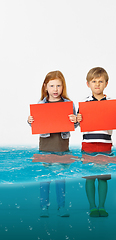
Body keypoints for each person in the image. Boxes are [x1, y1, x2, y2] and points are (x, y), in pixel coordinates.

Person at [28, 70, 77, 217]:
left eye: (58, 86)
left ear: (63, 87)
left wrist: (75, 120)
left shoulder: (68, 104)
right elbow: (35, 125)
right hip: (45, 147)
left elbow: (74, 126)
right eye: (52, 86)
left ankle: (61, 206)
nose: (55, 89)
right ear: (45, 87)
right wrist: (30, 121)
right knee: (45, 179)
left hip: (62, 148)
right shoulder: (40, 104)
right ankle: (44, 207)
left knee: (60, 179)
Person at [77, 67, 112, 217]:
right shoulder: (84, 103)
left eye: (100, 81)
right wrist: (77, 119)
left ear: (106, 83)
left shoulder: (111, 103)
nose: (97, 84)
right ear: (88, 84)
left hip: (105, 145)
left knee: (103, 178)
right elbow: (76, 124)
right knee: (90, 177)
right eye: (94, 81)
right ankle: (92, 206)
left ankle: (102, 206)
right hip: (88, 145)